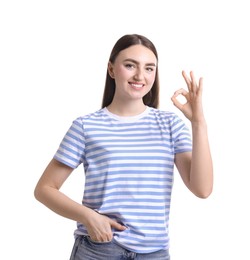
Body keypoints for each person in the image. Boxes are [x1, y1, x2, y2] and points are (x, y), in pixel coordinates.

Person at [34, 34, 213, 260]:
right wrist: (89, 217)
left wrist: (198, 122)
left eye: (149, 68)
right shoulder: (86, 126)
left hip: (154, 253)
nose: (140, 75)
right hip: (99, 249)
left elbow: (202, 189)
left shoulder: (170, 125)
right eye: (130, 65)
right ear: (111, 69)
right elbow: (45, 189)